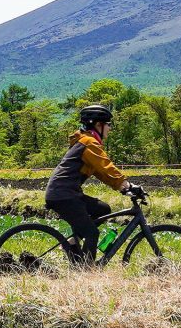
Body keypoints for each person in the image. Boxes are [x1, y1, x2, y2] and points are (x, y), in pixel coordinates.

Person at [45, 102, 132, 262]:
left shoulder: (87, 142)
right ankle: (87, 269)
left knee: (103, 209)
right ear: (98, 125)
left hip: (67, 194)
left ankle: (72, 243)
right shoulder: (89, 143)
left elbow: (101, 173)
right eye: (108, 125)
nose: (110, 128)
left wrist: (121, 186)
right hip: (64, 196)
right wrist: (126, 184)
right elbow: (106, 166)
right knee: (92, 232)